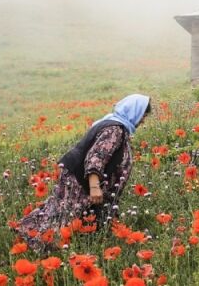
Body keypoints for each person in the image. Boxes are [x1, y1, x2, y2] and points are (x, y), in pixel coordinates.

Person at [17, 93, 151, 252]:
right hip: (81, 182)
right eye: (143, 115)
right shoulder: (115, 130)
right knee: (66, 217)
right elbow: (96, 157)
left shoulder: (113, 124)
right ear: (134, 111)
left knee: (63, 212)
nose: (143, 120)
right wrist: (94, 187)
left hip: (78, 178)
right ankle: (41, 248)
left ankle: (38, 242)